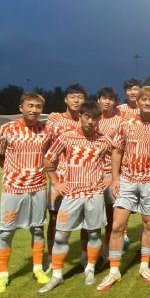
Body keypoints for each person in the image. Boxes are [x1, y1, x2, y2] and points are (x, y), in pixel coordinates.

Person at [97, 86, 150, 291]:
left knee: (149, 223)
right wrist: (115, 178)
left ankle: (144, 265)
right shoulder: (126, 123)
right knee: (117, 225)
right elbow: (117, 151)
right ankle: (114, 270)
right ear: (138, 102)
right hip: (128, 180)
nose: (147, 103)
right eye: (144, 100)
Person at [39, 101, 114, 292]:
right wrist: (56, 182)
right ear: (80, 116)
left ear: (99, 120)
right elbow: (49, 158)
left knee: (95, 233)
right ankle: (57, 275)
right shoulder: (67, 137)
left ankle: (89, 268)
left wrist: (109, 176)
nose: (90, 121)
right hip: (71, 194)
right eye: (87, 117)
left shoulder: (104, 140)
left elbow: (112, 158)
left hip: (95, 194)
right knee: (62, 235)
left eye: (94, 118)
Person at [0, 92, 52, 294]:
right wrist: (15, 173)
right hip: (13, 189)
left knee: (37, 229)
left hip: (38, 187)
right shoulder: (6, 129)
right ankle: (3, 275)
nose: (34, 110)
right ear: (21, 107)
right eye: (30, 106)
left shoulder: (46, 129)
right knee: (6, 231)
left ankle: (37, 269)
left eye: (38, 107)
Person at [46, 84, 86, 263]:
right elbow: (45, 146)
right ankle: (50, 256)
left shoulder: (86, 120)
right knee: (54, 218)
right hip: (60, 177)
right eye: (72, 96)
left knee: (86, 219)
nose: (76, 100)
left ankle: (86, 256)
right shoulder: (54, 120)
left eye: (79, 97)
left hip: (82, 177)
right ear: (65, 99)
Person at [96, 87, 124, 261]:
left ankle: (108, 250)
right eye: (103, 98)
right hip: (92, 176)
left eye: (110, 99)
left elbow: (121, 150)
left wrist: (115, 177)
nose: (107, 101)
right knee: (93, 218)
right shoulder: (91, 119)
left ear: (115, 102)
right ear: (98, 100)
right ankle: (90, 254)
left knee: (112, 217)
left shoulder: (121, 121)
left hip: (112, 176)